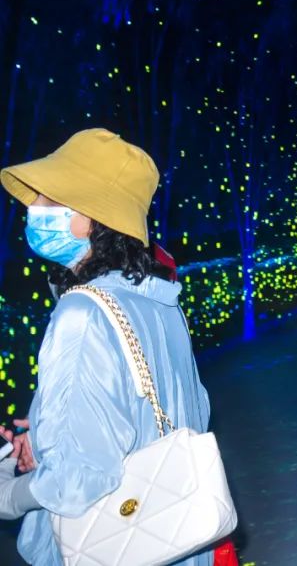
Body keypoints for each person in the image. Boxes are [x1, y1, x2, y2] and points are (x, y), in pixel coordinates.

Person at [0, 128, 214, 565]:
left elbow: (78, 481)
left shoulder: (82, 314)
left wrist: (9, 496)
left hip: (115, 544)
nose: (33, 208)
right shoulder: (158, 298)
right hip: (175, 537)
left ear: (94, 217)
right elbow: (182, 410)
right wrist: (47, 431)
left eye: (48, 199)